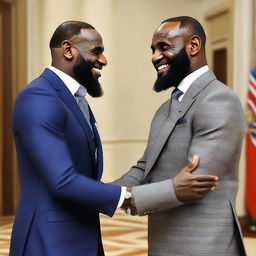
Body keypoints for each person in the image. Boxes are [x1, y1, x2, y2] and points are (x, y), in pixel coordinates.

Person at [9, 21, 218, 256]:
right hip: (48, 241)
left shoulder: (74, 98)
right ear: (68, 50)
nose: (104, 60)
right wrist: (130, 197)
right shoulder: (39, 97)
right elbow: (63, 181)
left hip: (82, 236)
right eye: (96, 52)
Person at [114, 16, 247, 255]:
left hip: (205, 245)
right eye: (153, 50)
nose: (155, 57)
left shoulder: (218, 98)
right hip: (164, 241)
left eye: (164, 47)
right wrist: (102, 194)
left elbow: (197, 180)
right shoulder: (165, 107)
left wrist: (128, 199)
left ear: (193, 46)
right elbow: (146, 168)